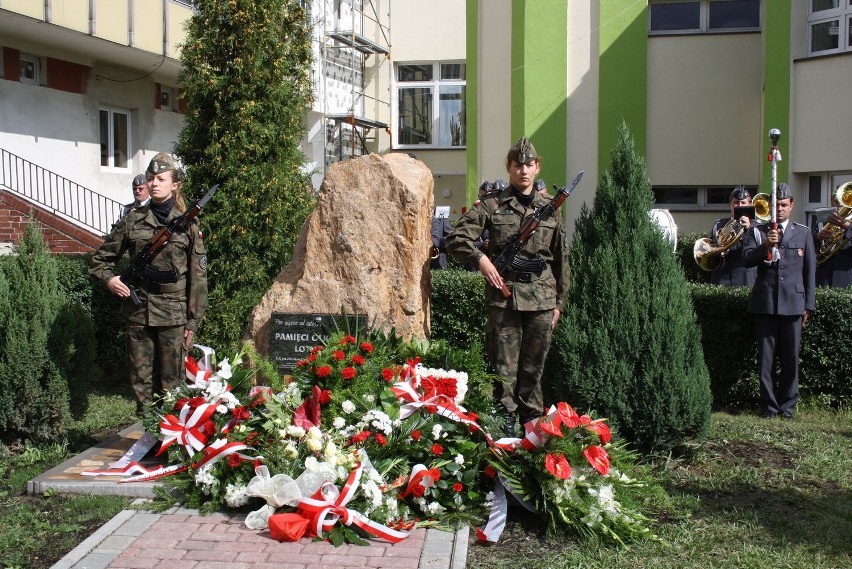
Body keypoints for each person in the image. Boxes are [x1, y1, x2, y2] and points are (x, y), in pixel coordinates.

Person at [445, 137, 569, 433]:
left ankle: (533, 427)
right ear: (509, 168)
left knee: (534, 369)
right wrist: (482, 260)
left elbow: (561, 259)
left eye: (529, 165)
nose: (523, 171)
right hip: (505, 298)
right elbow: (455, 239)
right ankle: (505, 428)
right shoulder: (492, 205)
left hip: (541, 299)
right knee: (504, 370)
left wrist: (559, 304)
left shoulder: (551, 209)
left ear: (537, 168)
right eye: (518, 165)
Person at [89, 153, 208, 416]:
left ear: (174, 184)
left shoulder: (188, 225)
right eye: (152, 178)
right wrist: (111, 280)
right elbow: (100, 260)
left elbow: (198, 278)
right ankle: (146, 435)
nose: (154, 183)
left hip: (173, 315)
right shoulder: (133, 220)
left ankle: (170, 436)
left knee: (171, 382)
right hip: (138, 312)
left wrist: (193, 321)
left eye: (161, 179)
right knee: (141, 380)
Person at [742, 183, 815, 420]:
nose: (780, 209)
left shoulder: (803, 233)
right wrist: (765, 245)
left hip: (793, 304)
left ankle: (787, 408)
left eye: (784, 205)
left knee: (791, 359)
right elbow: (747, 260)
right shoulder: (758, 231)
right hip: (765, 303)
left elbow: (809, 273)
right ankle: (769, 407)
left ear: (792, 206)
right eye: (776, 205)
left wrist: (808, 305)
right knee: (766, 360)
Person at [709, 186, 756, 287]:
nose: (739, 206)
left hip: (747, 280)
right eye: (736, 202)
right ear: (729, 205)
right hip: (722, 279)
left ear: (750, 205)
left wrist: (748, 230)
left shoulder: (757, 227)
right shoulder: (719, 225)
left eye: (743, 203)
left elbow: (757, 253)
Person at [813, 191, 852, 288]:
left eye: (843, 202)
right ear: (832, 203)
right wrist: (818, 237)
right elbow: (807, 243)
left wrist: (846, 226)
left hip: (846, 277)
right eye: (837, 201)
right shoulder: (822, 221)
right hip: (823, 276)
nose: (840, 205)